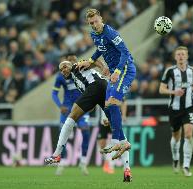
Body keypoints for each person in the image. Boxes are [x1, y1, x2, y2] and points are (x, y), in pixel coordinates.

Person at [77, 8, 136, 182]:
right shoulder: (94, 35)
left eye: (95, 21)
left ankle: (117, 140)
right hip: (112, 74)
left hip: (124, 69)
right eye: (91, 23)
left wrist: (117, 70)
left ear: (101, 18)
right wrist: (91, 60)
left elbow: (125, 52)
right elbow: (100, 50)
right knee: (108, 112)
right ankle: (126, 161)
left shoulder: (111, 32)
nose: (94, 25)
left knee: (112, 103)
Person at [159, 46, 193, 177]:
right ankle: (175, 159)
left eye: (183, 54)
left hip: (189, 107)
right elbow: (161, 89)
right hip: (174, 108)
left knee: (189, 134)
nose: (180, 56)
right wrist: (174, 92)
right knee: (175, 137)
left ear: (187, 56)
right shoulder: (169, 71)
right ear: (175, 57)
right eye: (178, 54)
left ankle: (186, 165)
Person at [52, 55, 90, 175]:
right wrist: (60, 106)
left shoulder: (83, 72)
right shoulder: (61, 77)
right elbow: (54, 93)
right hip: (67, 108)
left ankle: (83, 162)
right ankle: (61, 163)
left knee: (85, 131)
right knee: (62, 134)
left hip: (81, 108)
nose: (72, 62)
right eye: (70, 61)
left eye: (74, 60)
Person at [98, 100, 127, 174]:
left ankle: (113, 164)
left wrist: (124, 115)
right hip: (103, 120)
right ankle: (107, 162)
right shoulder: (102, 91)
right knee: (102, 144)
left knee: (118, 141)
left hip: (113, 120)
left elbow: (123, 102)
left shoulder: (116, 90)